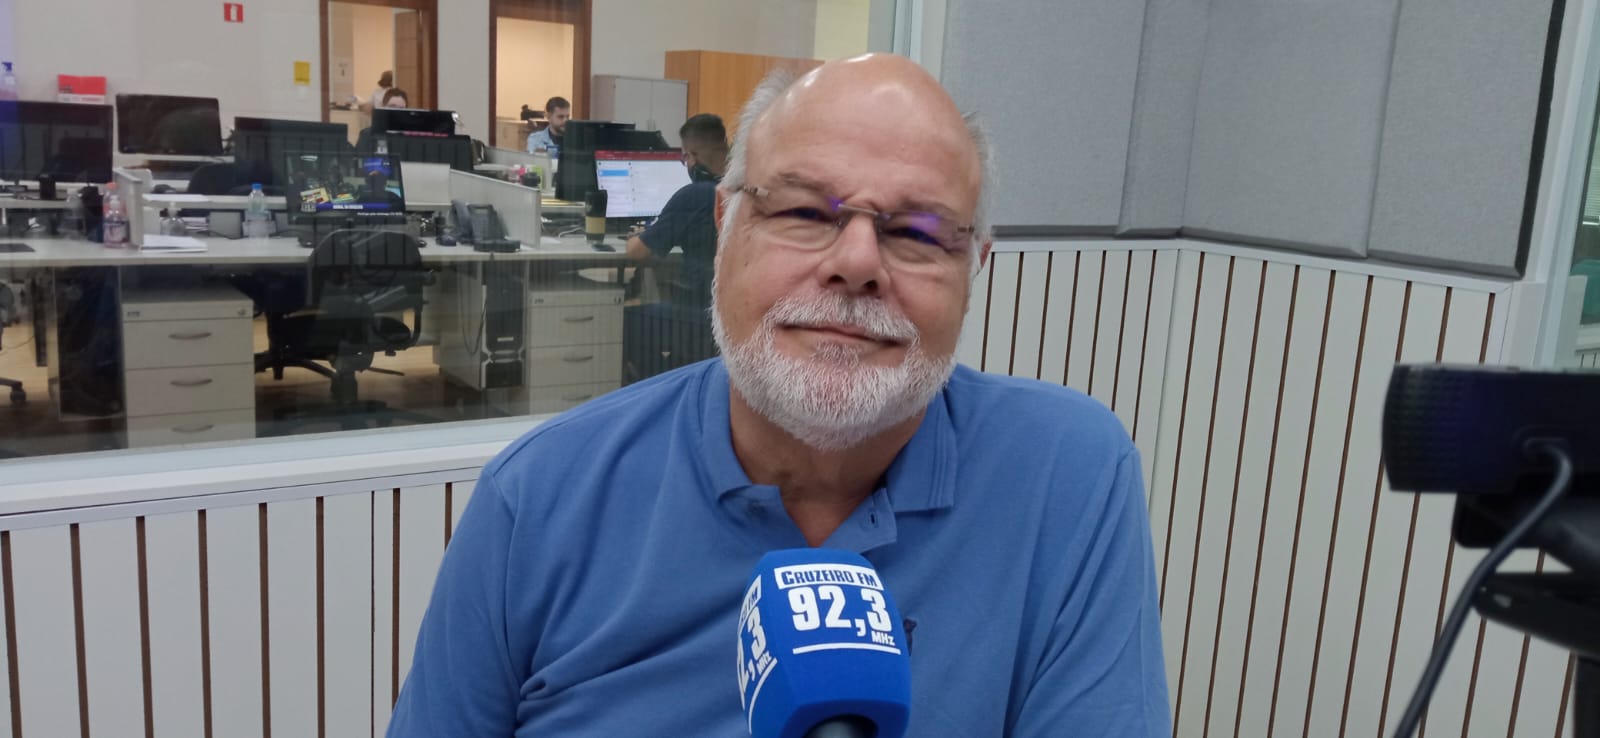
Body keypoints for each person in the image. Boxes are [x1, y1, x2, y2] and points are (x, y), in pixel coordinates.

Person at [389, 53, 1169, 737]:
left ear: (974, 270)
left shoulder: (1068, 479)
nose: (857, 263)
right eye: (802, 211)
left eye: (918, 232)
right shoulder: (539, 499)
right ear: (725, 226)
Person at [620, 113, 728, 379]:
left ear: (692, 156)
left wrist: (639, 236)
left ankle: (660, 384)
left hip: (698, 313)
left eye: (684, 157)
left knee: (627, 319)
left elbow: (637, 251)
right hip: (730, 315)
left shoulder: (695, 194)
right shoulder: (741, 190)